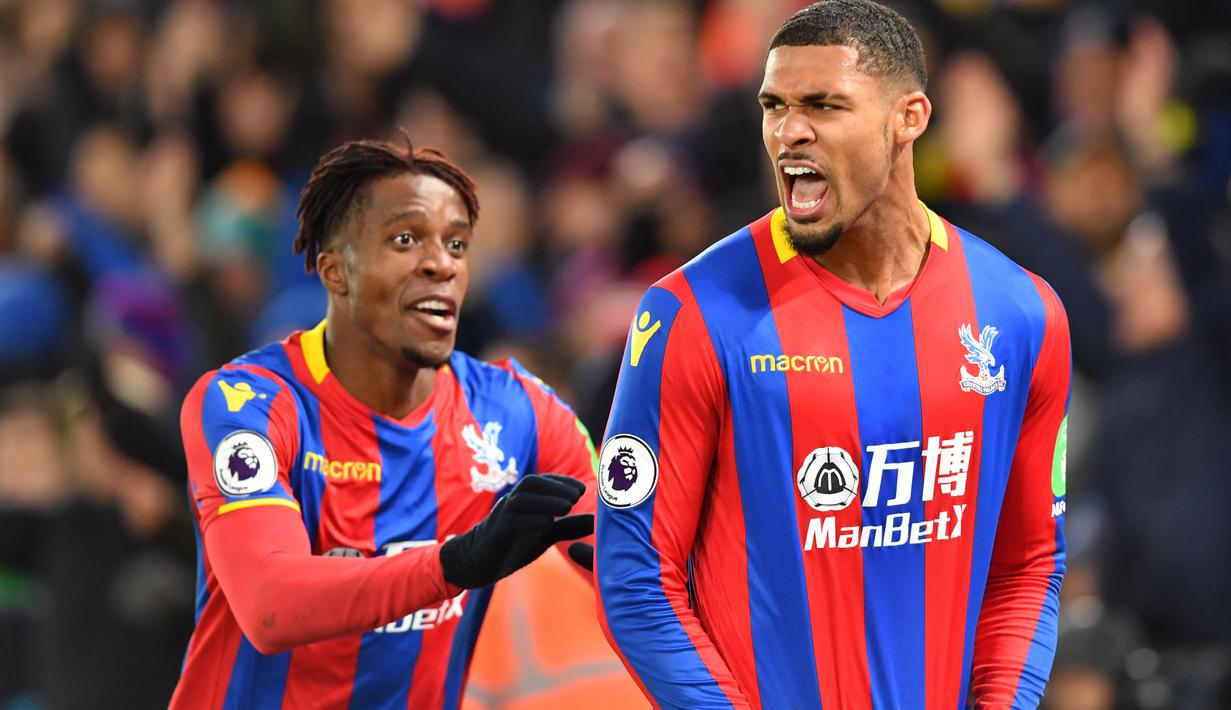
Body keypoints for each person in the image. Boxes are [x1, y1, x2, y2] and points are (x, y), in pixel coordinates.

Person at [593, 2, 1070, 708]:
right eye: (773, 105)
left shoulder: (1021, 313)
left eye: (823, 104)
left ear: (908, 117)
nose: (789, 132)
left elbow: (1027, 563)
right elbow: (634, 573)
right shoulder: (692, 312)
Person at [169, 135, 598, 709]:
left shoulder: (520, 412)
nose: (440, 263)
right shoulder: (250, 405)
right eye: (405, 239)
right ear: (335, 272)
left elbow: (636, 559)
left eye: (457, 244)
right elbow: (270, 604)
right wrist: (455, 562)